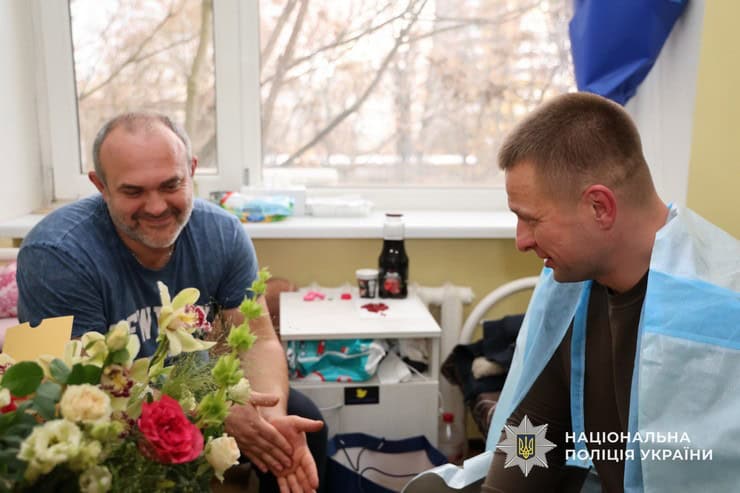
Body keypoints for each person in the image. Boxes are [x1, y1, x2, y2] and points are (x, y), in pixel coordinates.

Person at [17, 113, 327, 493]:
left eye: (171, 185)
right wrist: (211, 411)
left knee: (299, 425)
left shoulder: (223, 234)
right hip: (110, 411)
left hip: (202, 395)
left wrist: (270, 423)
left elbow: (259, 340)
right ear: (101, 186)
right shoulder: (56, 253)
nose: (156, 206)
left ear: (191, 171)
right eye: (133, 191)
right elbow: (75, 386)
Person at [481, 92, 739, 492]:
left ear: (599, 207)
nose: (522, 241)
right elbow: (535, 431)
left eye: (531, 219)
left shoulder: (721, 320)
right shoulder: (570, 293)